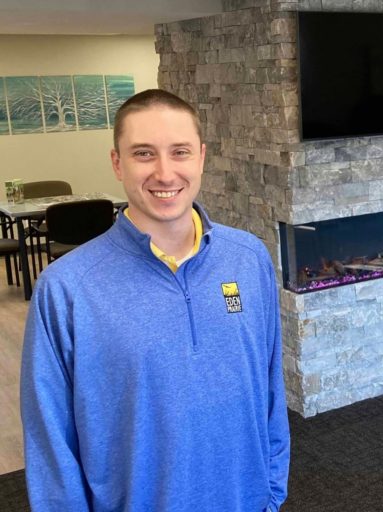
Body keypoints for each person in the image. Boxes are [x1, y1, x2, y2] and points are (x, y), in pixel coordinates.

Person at [21, 89, 290, 511]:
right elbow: (51, 443)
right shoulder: (66, 289)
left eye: (179, 152)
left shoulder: (248, 257)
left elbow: (271, 386)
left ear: (201, 157)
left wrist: (271, 493)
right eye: (144, 154)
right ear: (117, 163)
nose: (165, 173)